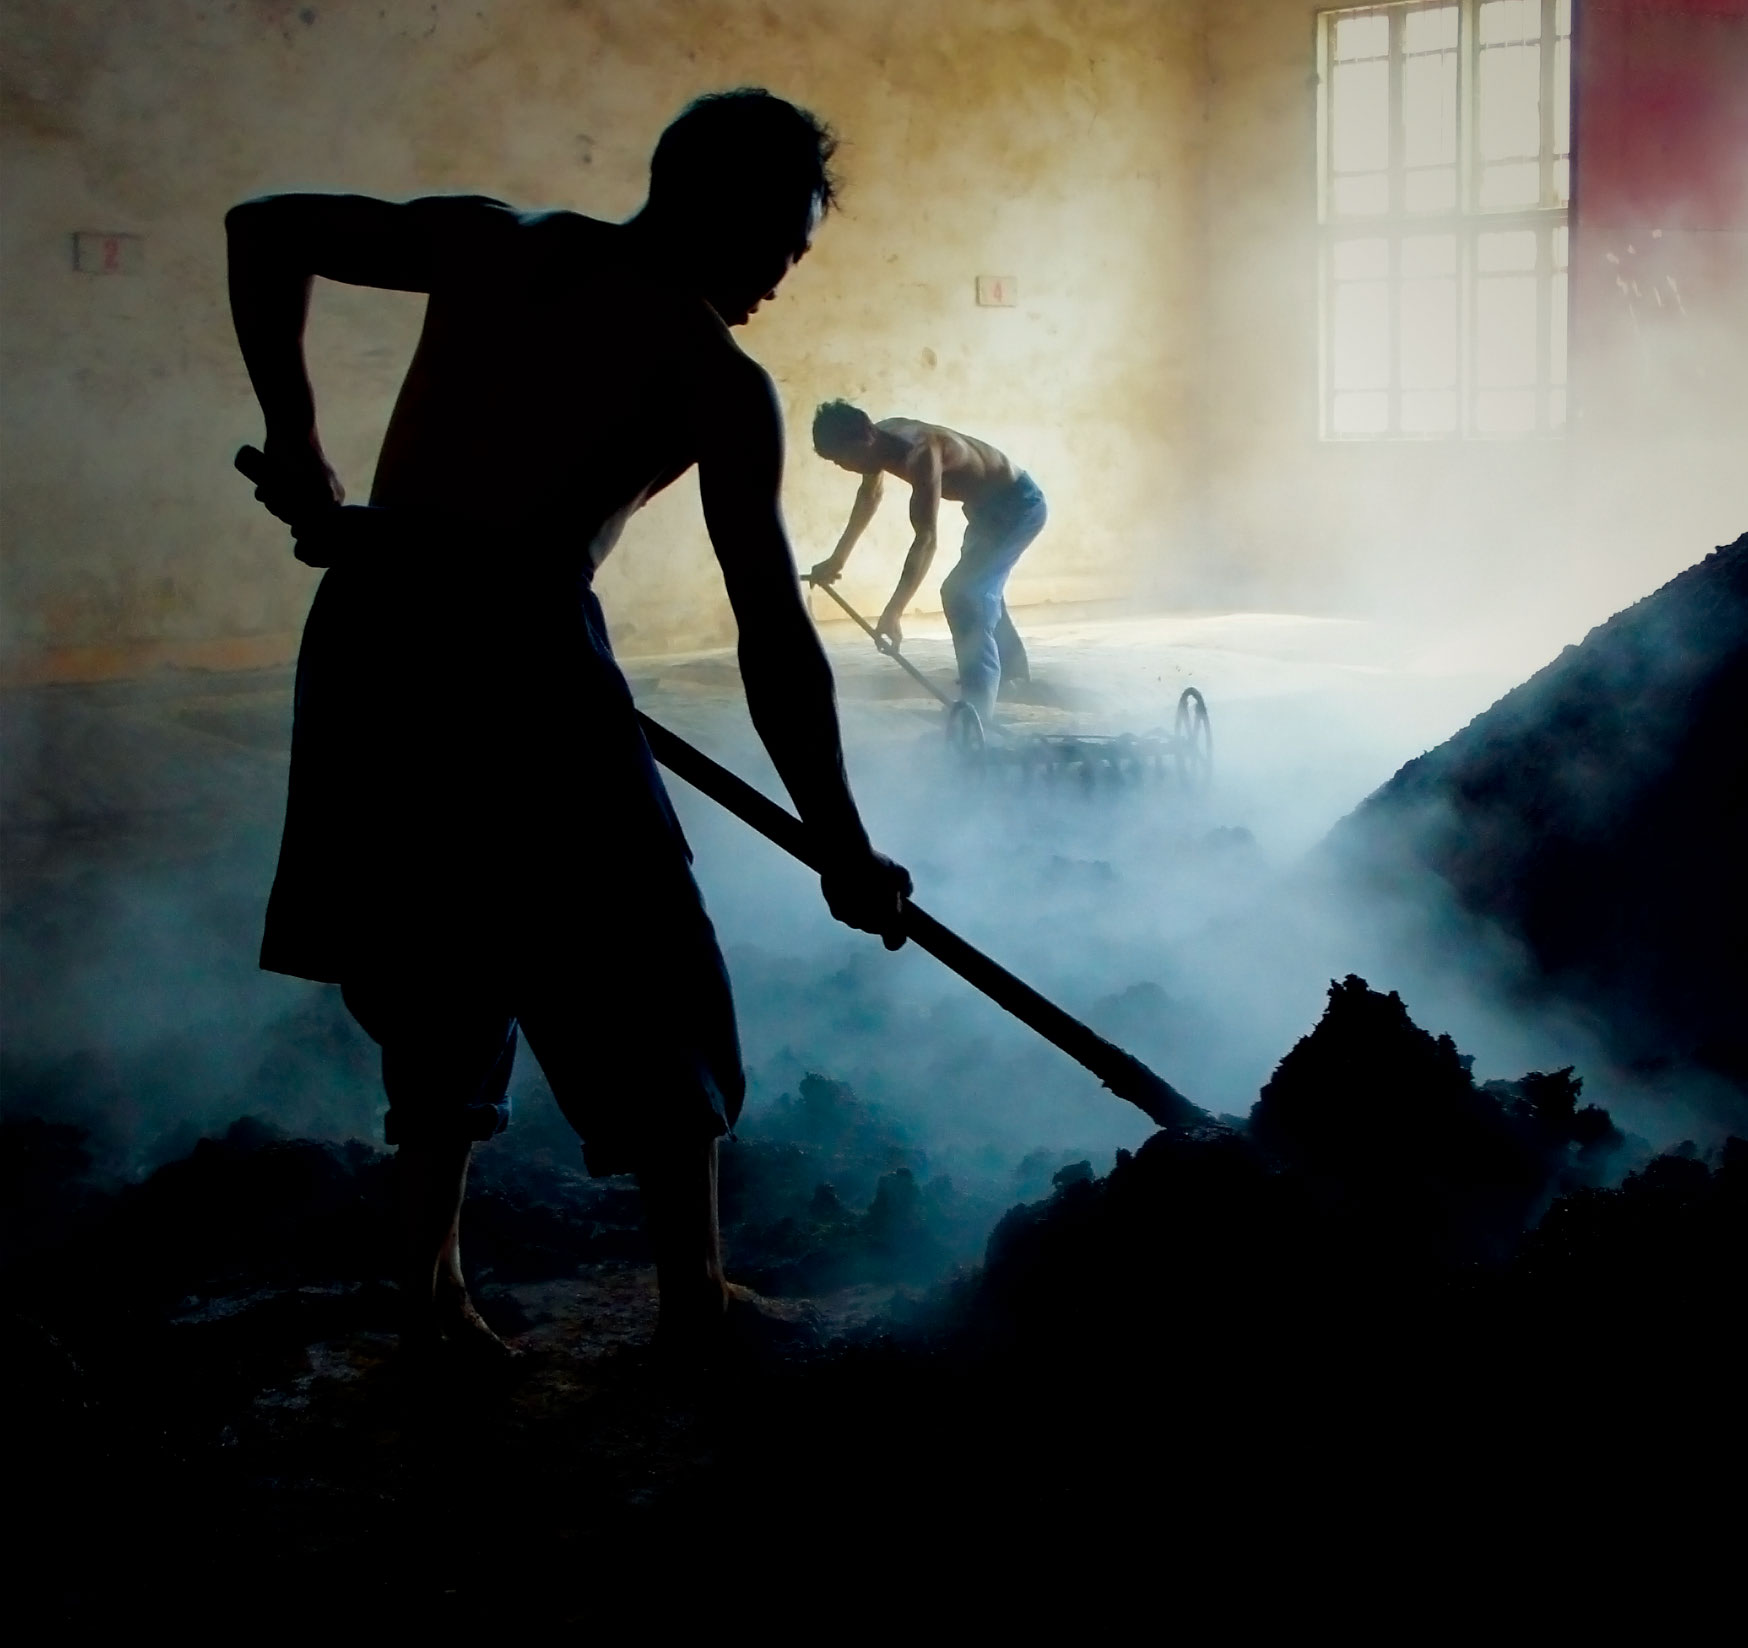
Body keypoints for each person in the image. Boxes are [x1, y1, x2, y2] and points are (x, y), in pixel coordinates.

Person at [226, 88, 911, 1364]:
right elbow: (771, 630)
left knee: (438, 950)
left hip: (375, 622)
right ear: (721, 211)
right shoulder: (712, 375)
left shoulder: (496, 241)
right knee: (647, 960)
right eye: (780, 248)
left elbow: (264, 229)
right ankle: (691, 1302)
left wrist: (300, 444)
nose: (780, 280)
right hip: (518, 659)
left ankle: (430, 1294)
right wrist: (840, 842)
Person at [808, 404, 1046, 719]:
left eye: (842, 457)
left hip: (1018, 506)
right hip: (984, 511)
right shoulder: (878, 440)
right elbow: (870, 497)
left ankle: (977, 711)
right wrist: (837, 560)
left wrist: (893, 611)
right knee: (980, 590)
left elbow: (926, 539)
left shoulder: (921, 451)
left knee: (962, 594)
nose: (842, 466)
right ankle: (1014, 675)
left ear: (865, 436)